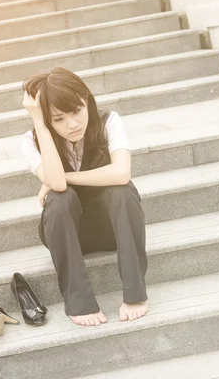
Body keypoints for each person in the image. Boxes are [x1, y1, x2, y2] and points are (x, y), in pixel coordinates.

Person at [21, 67, 148, 327]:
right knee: (59, 198)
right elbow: (56, 184)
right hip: (68, 234)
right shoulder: (32, 140)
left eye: (77, 110)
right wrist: (39, 123)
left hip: (111, 229)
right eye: (58, 119)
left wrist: (64, 179)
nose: (73, 124)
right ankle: (79, 302)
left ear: (87, 101)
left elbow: (122, 173)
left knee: (120, 190)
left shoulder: (108, 122)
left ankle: (135, 294)